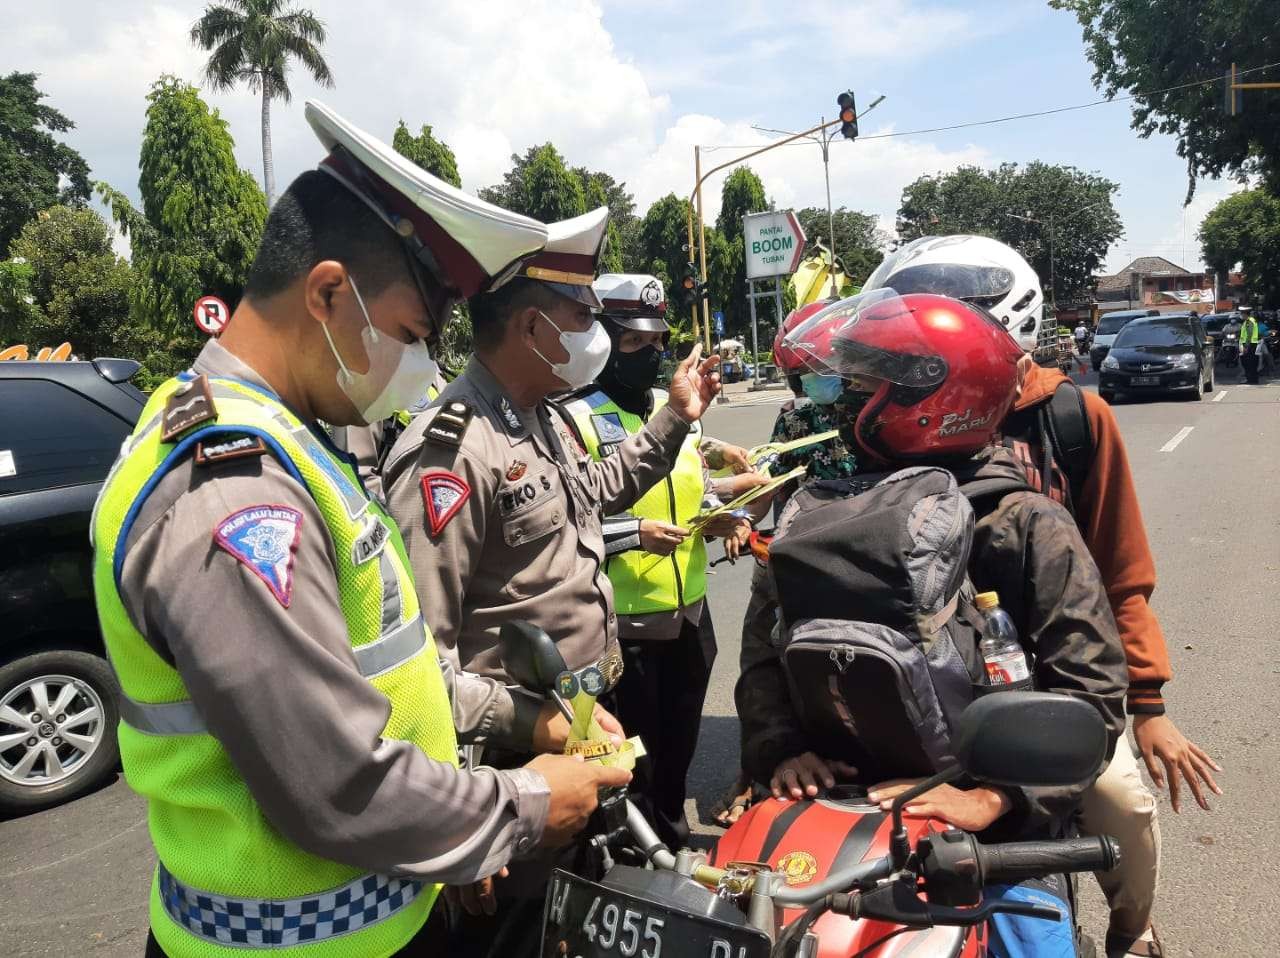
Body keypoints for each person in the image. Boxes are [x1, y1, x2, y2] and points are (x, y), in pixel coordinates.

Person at [91, 101, 633, 958]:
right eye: (414, 336)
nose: (421, 371)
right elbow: (336, 780)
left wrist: (530, 724)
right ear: (329, 293)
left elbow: (381, 669)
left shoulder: (289, 444)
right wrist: (523, 806)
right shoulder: (235, 490)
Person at [737, 290, 1128, 957]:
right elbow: (764, 654)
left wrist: (996, 799)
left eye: (864, 384)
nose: (844, 400)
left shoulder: (1025, 523)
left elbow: (1090, 694)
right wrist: (781, 752)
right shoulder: (818, 514)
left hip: (991, 841)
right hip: (841, 813)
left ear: (939, 396)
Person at [863, 236, 1221, 958]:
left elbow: (1120, 572)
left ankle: (1130, 932)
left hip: (1059, 680)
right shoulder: (880, 421)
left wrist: (1146, 706)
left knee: (1121, 804)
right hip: (923, 679)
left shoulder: (1070, 420)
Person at [381, 214, 722, 955]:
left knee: (569, 925)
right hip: (513, 760)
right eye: (582, 316)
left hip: (581, 727)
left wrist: (675, 417)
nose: (593, 332)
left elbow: (597, 489)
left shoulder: (542, 420)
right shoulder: (452, 451)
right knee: (515, 936)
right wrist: (466, 821)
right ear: (533, 326)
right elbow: (420, 667)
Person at [561, 273, 759, 848]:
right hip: (620, 631)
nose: (648, 357)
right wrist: (634, 534)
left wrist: (729, 509)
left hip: (690, 618)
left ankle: (670, 857)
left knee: (676, 758)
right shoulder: (570, 419)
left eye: (655, 345)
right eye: (632, 345)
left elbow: (689, 489)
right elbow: (566, 522)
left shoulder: (675, 410)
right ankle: (624, 868)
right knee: (626, 766)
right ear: (600, 343)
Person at [1240, 306, 1261, 384]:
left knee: (1249, 363)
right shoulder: (1248, 321)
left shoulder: (1249, 321)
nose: (1241, 315)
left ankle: (1251, 379)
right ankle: (1252, 379)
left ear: (1245, 314)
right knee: (1251, 363)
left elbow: (1249, 334)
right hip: (1251, 344)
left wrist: (1246, 346)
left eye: (1242, 314)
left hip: (1250, 345)